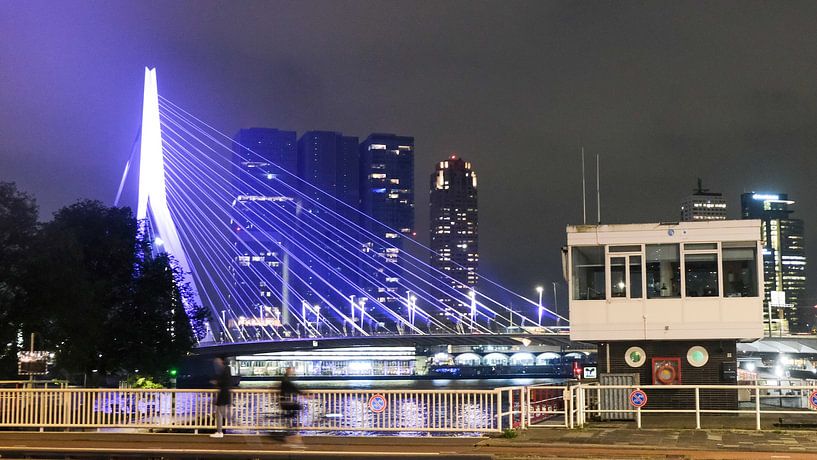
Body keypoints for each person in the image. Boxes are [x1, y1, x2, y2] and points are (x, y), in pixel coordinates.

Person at [279, 367, 304, 448]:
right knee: (299, 407)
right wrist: (303, 393)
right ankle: (291, 429)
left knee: (294, 412)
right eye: (292, 371)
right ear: (288, 372)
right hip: (285, 402)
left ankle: (289, 428)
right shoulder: (286, 380)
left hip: (284, 401)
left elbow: (291, 387)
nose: (293, 373)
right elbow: (292, 387)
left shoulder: (285, 378)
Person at [210, 356, 231, 438]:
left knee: (220, 413)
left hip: (223, 394)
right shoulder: (226, 369)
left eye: (216, 363)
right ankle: (219, 431)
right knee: (220, 413)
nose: (216, 365)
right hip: (224, 394)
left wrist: (216, 383)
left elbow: (224, 382)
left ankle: (219, 432)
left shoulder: (225, 370)